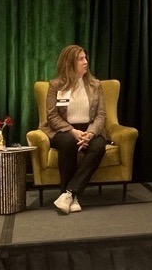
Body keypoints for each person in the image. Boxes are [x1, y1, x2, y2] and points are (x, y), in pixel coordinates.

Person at [42, 44, 107, 215]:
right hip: (63, 130)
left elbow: (101, 115)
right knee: (68, 142)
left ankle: (69, 194)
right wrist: (72, 130)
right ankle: (72, 195)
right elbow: (52, 116)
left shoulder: (95, 84)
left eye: (85, 58)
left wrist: (91, 133)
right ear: (69, 62)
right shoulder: (56, 85)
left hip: (89, 129)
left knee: (99, 146)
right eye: (81, 59)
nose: (85, 62)